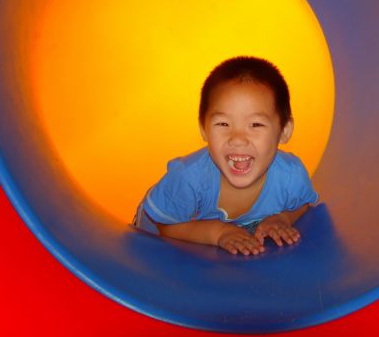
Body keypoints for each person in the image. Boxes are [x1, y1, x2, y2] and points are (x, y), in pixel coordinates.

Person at [133, 56, 319, 255]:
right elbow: (165, 227)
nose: (237, 139)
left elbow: (303, 205)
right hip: (156, 237)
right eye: (223, 124)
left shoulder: (290, 175)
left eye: (256, 124)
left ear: (284, 130)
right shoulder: (189, 178)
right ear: (203, 129)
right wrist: (219, 232)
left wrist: (282, 218)